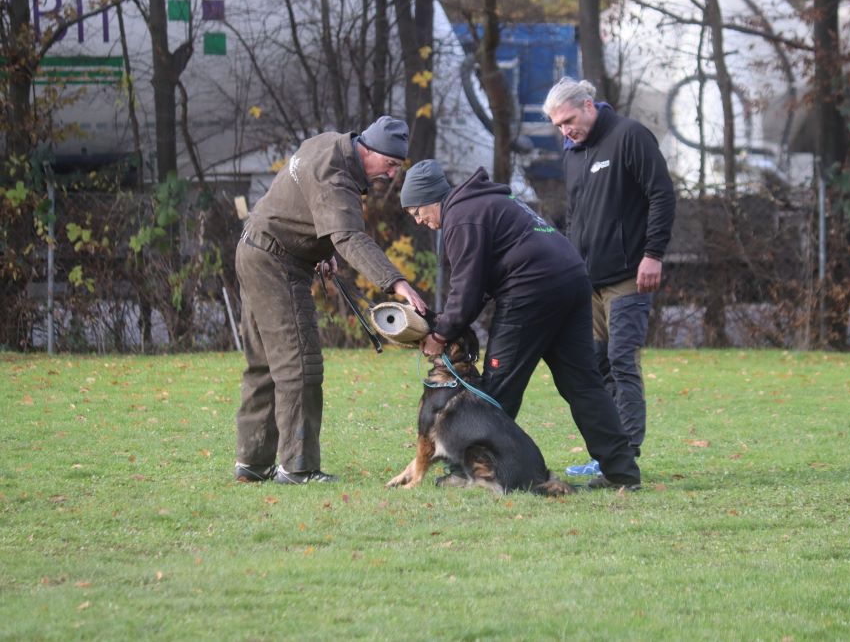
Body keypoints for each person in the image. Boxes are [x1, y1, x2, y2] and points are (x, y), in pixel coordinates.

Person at [400, 159, 641, 490]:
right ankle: (622, 472)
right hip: (572, 280)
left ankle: (472, 470)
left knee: (497, 388)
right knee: (584, 383)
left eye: (417, 211)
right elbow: (481, 283)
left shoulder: (461, 217)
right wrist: (448, 321)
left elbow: (466, 289)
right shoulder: (490, 201)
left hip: (531, 291)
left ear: (432, 197)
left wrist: (440, 334)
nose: (420, 220)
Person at [234, 116, 428, 485]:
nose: (390, 174)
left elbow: (306, 205)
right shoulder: (336, 176)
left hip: (253, 247)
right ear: (368, 150)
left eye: (397, 167)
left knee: (263, 364)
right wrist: (399, 285)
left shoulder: (328, 143)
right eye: (389, 164)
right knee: (300, 366)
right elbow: (351, 237)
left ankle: (253, 463)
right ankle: (298, 467)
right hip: (278, 262)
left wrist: (321, 245)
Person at [543, 77, 676, 477]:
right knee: (597, 365)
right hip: (588, 282)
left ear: (588, 104)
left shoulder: (630, 136)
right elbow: (577, 217)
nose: (565, 131)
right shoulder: (573, 152)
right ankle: (606, 455)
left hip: (628, 276)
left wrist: (652, 255)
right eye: (558, 126)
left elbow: (662, 196)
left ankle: (625, 458)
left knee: (621, 361)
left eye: (568, 120)